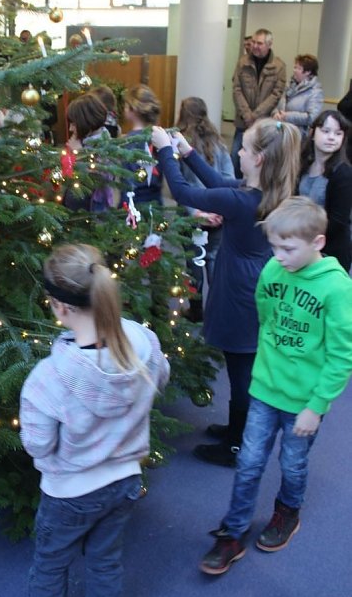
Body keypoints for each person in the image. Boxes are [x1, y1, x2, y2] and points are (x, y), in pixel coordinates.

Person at [12, 243, 170, 597]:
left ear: (60, 308)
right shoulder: (143, 340)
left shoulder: (47, 379)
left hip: (68, 493)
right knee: (106, 563)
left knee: (50, 565)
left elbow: (39, 446)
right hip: (124, 483)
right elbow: (160, 380)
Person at [200, 197, 352, 575]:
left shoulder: (336, 288)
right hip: (265, 389)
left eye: (288, 248)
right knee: (249, 462)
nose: (278, 255)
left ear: (317, 243)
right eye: (274, 246)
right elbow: (266, 316)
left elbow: (341, 355)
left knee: (293, 463)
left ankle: (287, 511)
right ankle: (233, 531)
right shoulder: (273, 270)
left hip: (303, 401)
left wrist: (316, 406)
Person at [152, 119, 301, 466]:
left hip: (240, 291)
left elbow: (186, 194)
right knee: (243, 363)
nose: (240, 153)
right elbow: (219, 183)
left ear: (259, 159)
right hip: (255, 284)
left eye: (245, 149)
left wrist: (164, 151)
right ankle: (237, 429)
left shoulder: (241, 200)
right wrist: (187, 152)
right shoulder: (265, 192)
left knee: (241, 369)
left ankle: (237, 445)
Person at [174, 97, 235, 321]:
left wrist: (196, 213)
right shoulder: (219, 143)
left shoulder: (180, 146)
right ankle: (219, 310)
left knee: (193, 263)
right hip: (219, 216)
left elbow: (179, 185)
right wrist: (219, 210)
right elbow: (229, 178)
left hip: (193, 218)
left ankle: (196, 309)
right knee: (214, 261)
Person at [298, 109, 352, 271]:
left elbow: (338, 221)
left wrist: (307, 239)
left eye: (338, 133)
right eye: (326, 131)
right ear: (313, 133)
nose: (331, 138)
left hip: (329, 251)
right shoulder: (304, 165)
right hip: (303, 241)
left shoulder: (343, 172)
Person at [231, 29, 286, 177]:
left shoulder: (279, 66)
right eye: (253, 42)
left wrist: (255, 115)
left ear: (269, 44)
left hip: (264, 123)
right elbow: (237, 89)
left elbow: (276, 94)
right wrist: (247, 114)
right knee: (236, 158)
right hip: (244, 121)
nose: (254, 46)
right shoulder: (242, 62)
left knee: (261, 160)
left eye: (259, 43)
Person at [64, 93, 113, 212]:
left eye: (74, 124)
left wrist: (79, 152)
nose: (70, 129)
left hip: (89, 209)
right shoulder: (86, 140)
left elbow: (97, 178)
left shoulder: (101, 144)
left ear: (87, 122)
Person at [120, 85, 163, 207]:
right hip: (156, 201)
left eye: (126, 106)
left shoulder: (128, 141)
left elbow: (127, 181)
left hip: (133, 203)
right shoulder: (160, 136)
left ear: (133, 109)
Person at [273, 54, 324, 138]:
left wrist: (287, 116)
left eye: (298, 68)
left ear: (308, 72)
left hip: (297, 136)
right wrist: (275, 113)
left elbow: (312, 117)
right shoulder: (289, 86)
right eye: (294, 67)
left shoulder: (315, 92)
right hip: (280, 131)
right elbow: (278, 104)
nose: (294, 70)